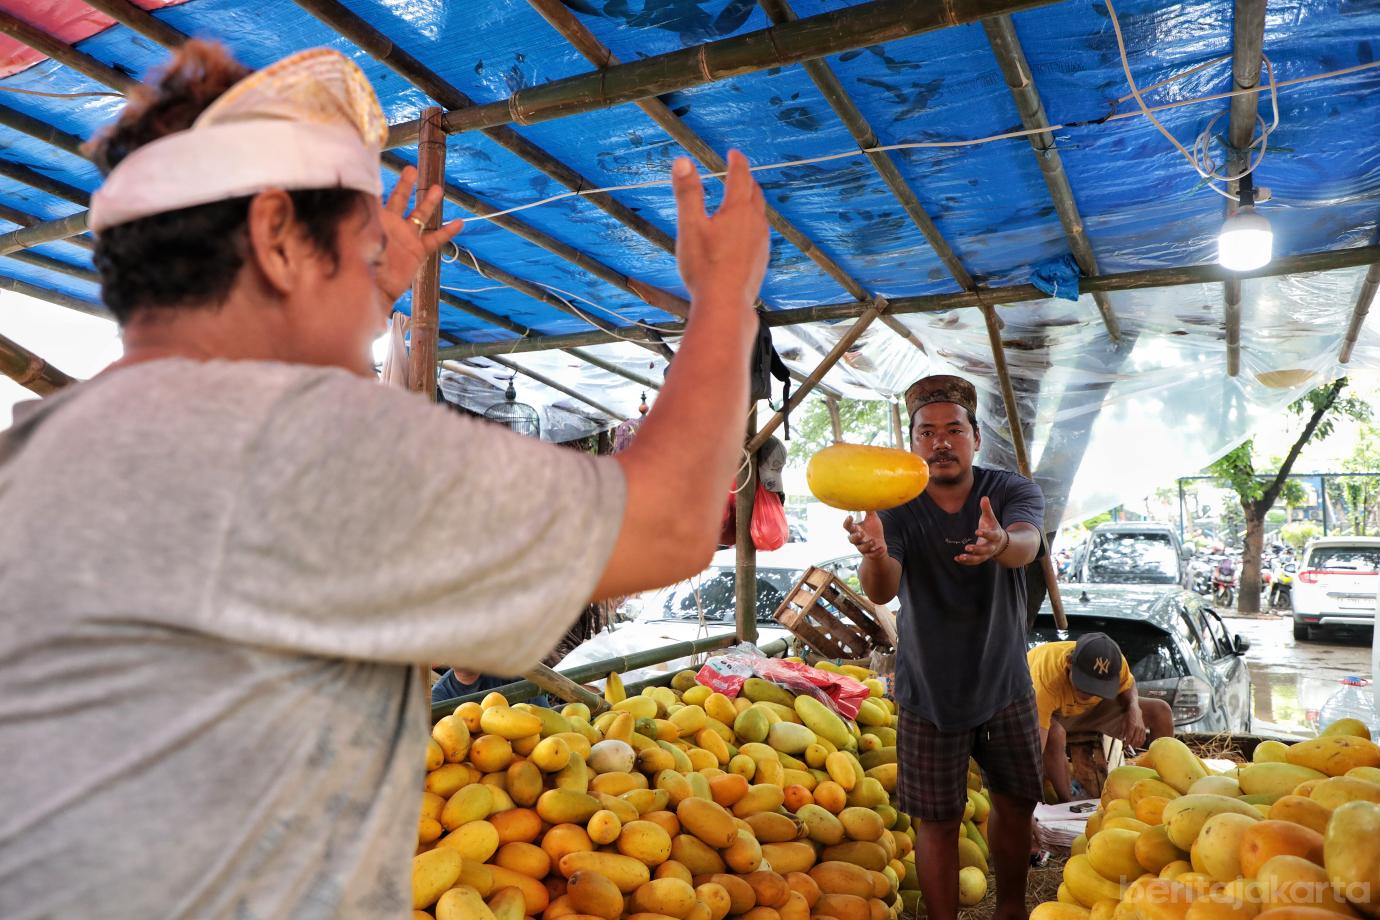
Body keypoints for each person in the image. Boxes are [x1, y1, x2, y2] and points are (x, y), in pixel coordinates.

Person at [0, 42, 769, 917]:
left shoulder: (43, 448)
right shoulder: (294, 444)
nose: (376, 295)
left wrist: (353, 295)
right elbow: (669, 522)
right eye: (363, 248)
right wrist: (725, 299)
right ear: (275, 236)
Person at [845, 375, 1045, 920]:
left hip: (1005, 683)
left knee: (1015, 804)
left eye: (953, 430)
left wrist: (1001, 542)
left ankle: (1011, 910)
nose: (940, 442)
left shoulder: (1010, 490)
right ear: (912, 444)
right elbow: (881, 588)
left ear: (976, 438)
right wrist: (874, 553)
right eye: (926, 432)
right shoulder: (896, 507)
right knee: (935, 821)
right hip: (927, 692)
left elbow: (1027, 545)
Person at [1028, 633, 1175, 802]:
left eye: (1097, 687)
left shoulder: (1115, 663)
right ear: (1069, 663)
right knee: (1055, 735)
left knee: (1161, 711)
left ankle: (1163, 789)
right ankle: (1067, 803)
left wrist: (1134, 710)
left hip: (1088, 711)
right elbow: (1036, 747)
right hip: (1050, 714)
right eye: (1084, 685)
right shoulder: (1045, 679)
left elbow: (1128, 684)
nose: (1089, 693)